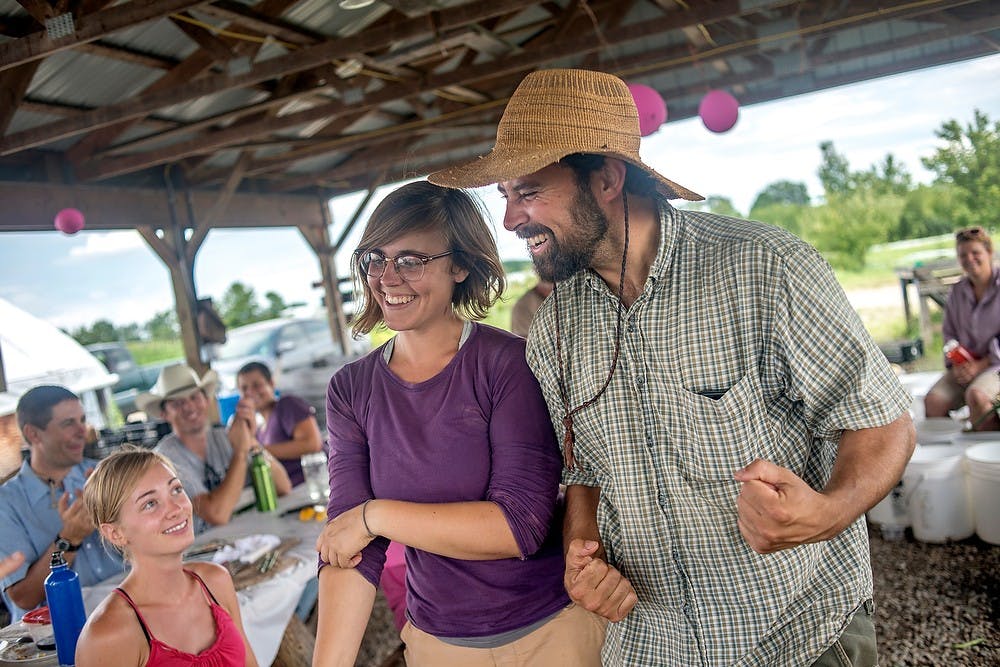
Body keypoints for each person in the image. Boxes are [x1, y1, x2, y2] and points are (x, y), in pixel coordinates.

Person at [429, 68, 916, 666]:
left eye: (527, 191)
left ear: (606, 178)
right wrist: (583, 548)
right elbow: (583, 467)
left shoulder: (763, 268)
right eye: (504, 196)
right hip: (655, 646)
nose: (510, 221)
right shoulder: (555, 328)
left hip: (796, 634)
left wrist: (829, 511)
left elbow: (883, 421)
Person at [313, 181, 606, 666]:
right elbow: (349, 548)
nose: (387, 277)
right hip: (437, 644)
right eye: (375, 258)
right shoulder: (350, 390)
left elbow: (519, 526)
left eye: (410, 260)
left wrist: (376, 516)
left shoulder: (508, 364)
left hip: (551, 633)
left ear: (460, 265)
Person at [76, 447, 257, 667]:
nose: (176, 508)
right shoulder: (107, 634)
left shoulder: (215, 581)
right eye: (150, 503)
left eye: (176, 490)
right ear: (116, 533)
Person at [0, 385, 125, 622]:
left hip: (122, 609)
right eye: (68, 424)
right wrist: (70, 537)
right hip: (56, 636)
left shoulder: (100, 474)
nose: (83, 431)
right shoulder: (6, 503)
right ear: (34, 434)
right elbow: (23, 597)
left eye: (83, 420)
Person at [137, 363, 291, 533]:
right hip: (207, 549)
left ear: (207, 400)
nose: (189, 407)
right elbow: (218, 514)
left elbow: (283, 486)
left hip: (254, 535)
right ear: (164, 414)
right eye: (178, 403)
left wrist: (251, 440)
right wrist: (240, 452)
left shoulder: (223, 436)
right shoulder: (166, 458)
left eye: (194, 397)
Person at [923, 226, 1000, 429]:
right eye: (962, 255)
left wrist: (980, 365)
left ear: (989, 253)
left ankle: (986, 454)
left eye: (975, 253)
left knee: (977, 397)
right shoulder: (957, 292)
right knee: (933, 402)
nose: (969, 259)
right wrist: (958, 364)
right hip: (964, 366)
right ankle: (952, 455)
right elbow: (949, 335)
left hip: (996, 366)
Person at [235, 361, 323, 486]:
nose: (250, 392)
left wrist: (258, 450)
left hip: (313, 486)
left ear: (271, 383)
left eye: (256, 385)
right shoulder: (259, 432)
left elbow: (312, 444)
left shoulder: (287, 405)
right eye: (244, 388)